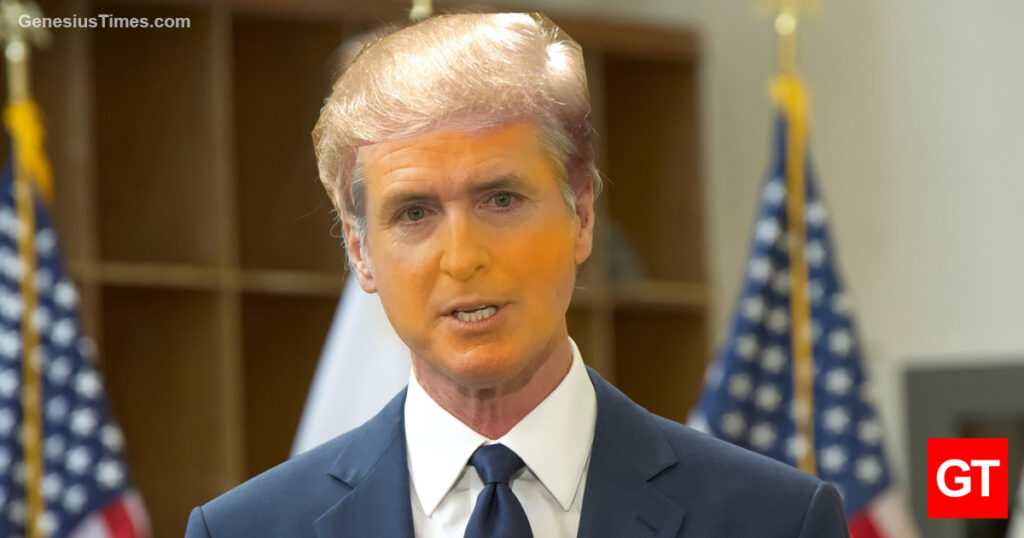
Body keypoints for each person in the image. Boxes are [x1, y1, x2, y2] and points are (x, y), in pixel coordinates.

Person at [185, 13, 849, 537]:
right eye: (414, 213)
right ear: (360, 251)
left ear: (581, 215)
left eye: (500, 200)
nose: (462, 257)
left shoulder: (774, 520)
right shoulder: (247, 530)